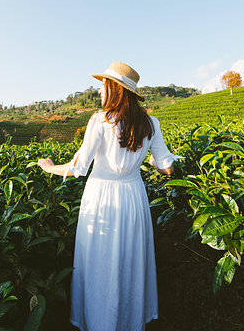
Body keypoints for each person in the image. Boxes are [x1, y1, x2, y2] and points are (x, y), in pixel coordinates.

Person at [38, 61, 181, 331]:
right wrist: (149, 162)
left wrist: (49, 168)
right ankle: (128, 320)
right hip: (133, 198)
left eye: (104, 86)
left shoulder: (100, 121)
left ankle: (98, 320)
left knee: (98, 259)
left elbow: (78, 168)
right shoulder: (151, 123)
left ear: (115, 89)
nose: (100, 92)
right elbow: (167, 168)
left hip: (102, 197)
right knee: (130, 258)